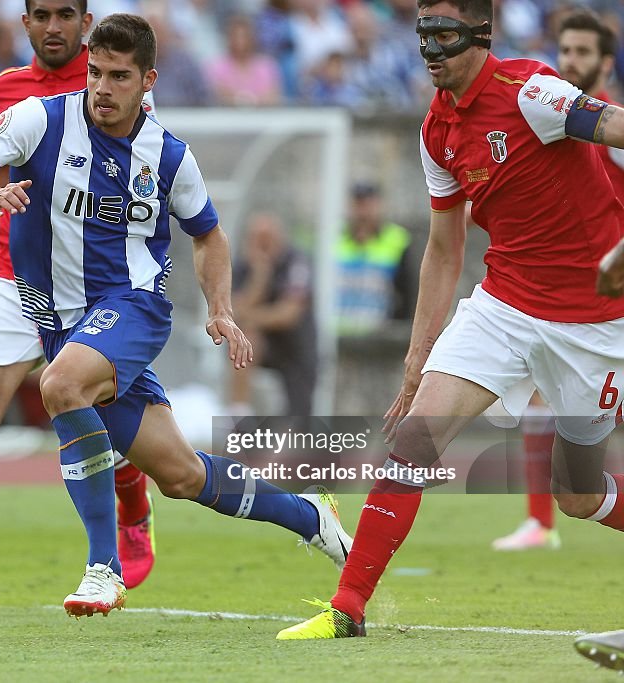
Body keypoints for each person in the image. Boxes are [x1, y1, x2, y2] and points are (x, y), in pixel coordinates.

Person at [0, 12, 352, 618]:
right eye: (95, 73)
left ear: (148, 80)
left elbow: (210, 237)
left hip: (133, 307)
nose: (102, 88)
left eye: (119, 77)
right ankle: (311, 515)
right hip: (56, 317)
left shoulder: (169, 156)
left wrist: (221, 310)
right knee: (181, 476)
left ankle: (103, 568)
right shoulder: (37, 120)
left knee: (62, 385)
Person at [278, 0, 624, 640]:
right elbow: (443, 248)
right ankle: (347, 606)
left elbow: (613, 125)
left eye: (445, 35)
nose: (431, 50)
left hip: (594, 325)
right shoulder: (436, 129)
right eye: (422, 36)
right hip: (505, 305)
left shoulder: (534, 92)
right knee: (412, 442)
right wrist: (416, 361)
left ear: (481, 35)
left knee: (576, 495)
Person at [0, 0, 160, 590]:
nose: (54, 26)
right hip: (16, 272)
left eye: (66, 14)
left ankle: (134, 516)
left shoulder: (114, 80)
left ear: (86, 21)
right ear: (23, 23)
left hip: (93, 281)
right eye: (42, 14)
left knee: (98, 409)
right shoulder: (7, 88)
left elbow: (143, 170)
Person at [492, 9, 622, 552]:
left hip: (611, 309)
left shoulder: (611, 131)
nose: (570, 61)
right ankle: (539, 521)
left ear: (605, 62)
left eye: (583, 53)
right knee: (546, 406)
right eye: (564, 50)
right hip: (578, 306)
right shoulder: (549, 121)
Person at [229, 212, 317, 419]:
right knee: (245, 338)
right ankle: (239, 413)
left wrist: (250, 317)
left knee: (299, 422)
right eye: (258, 239)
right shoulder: (244, 265)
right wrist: (260, 275)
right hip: (263, 346)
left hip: (296, 348)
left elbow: (288, 315)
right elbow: (233, 311)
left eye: (267, 239)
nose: (263, 245)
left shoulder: (297, 262)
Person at [336, 182, 414, 336]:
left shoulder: (398, 240)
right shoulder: (334, 239)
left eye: (368, 205)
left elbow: (409, 293)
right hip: (339, 334)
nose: (363, 212)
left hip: (380, 336)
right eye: (358, 205)